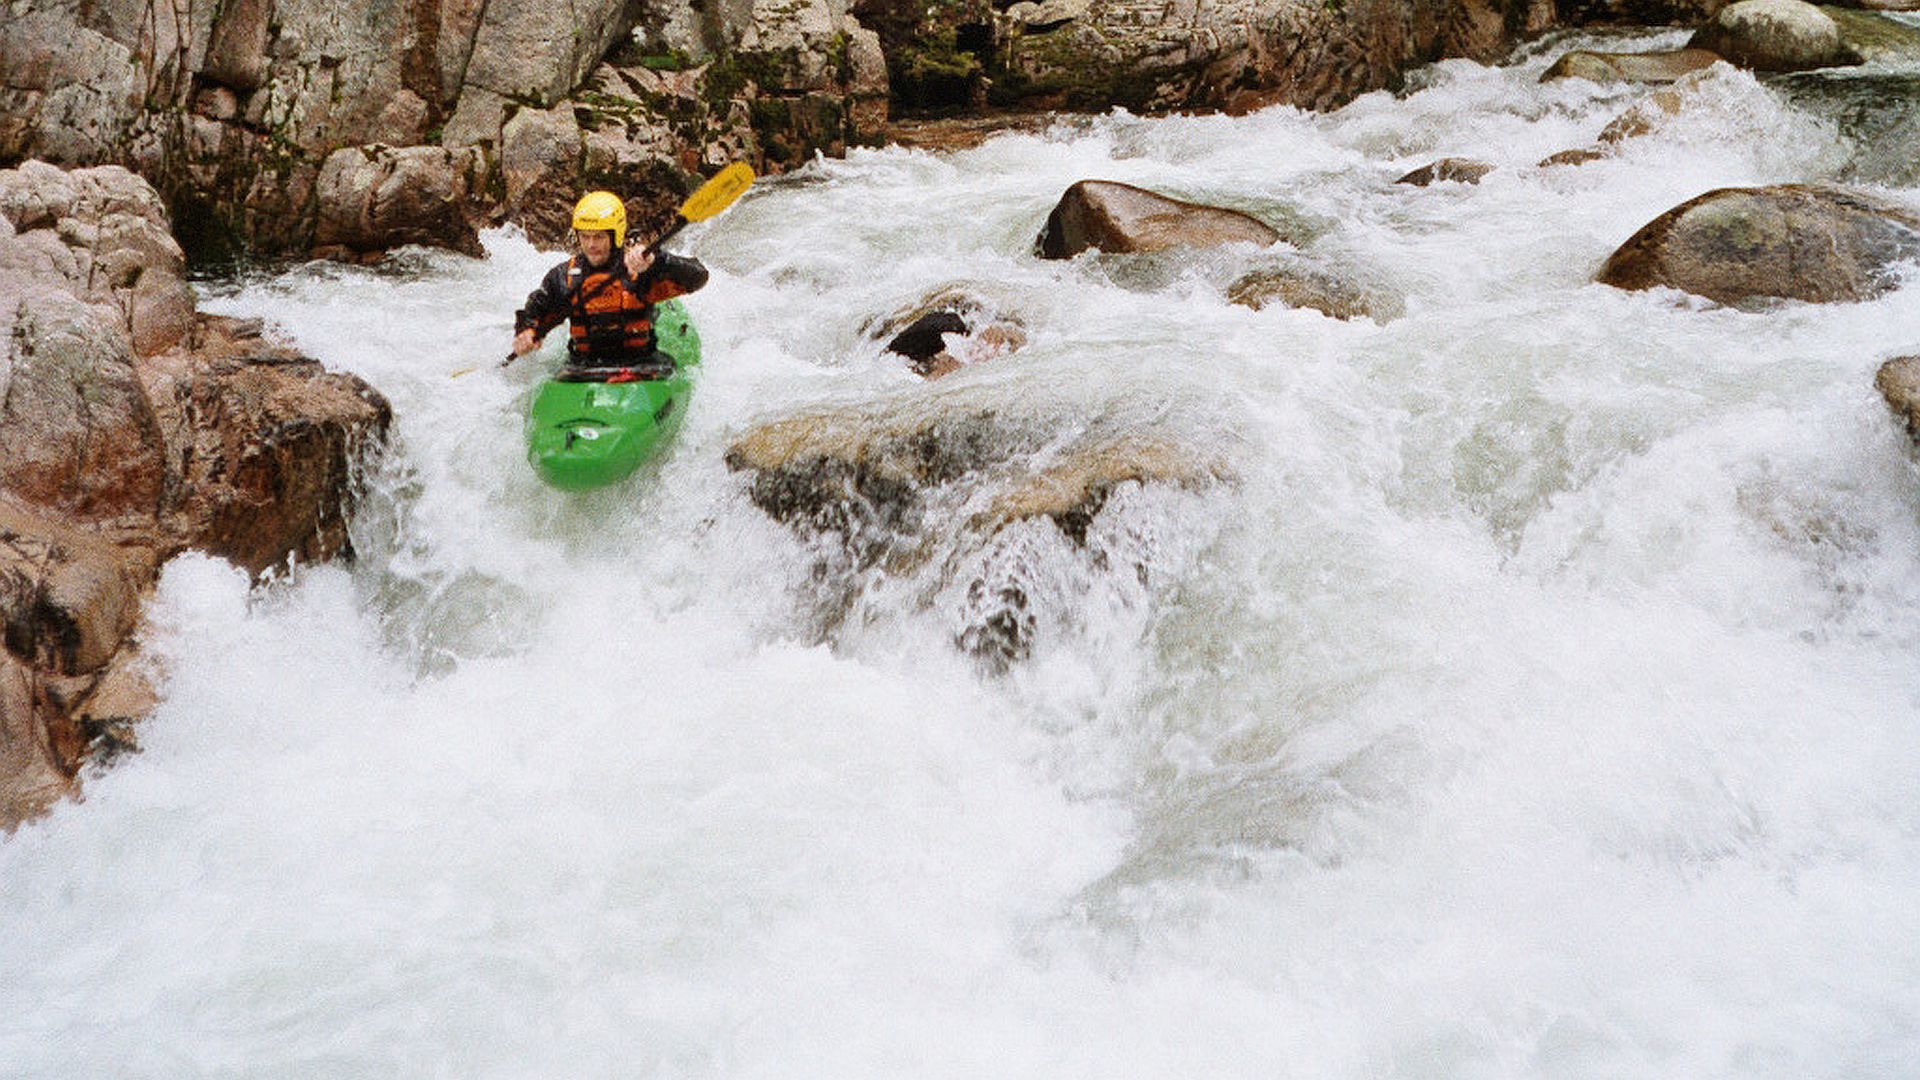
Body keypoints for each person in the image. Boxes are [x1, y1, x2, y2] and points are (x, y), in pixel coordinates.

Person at [512, 191, 709, 376]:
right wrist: (527, 331)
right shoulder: (564, 277)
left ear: (615, 235)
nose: (590, 245)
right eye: (585, 236)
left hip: (639, 365)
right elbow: (536, 310)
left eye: (598, 237)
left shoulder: (639, 271)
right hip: (583, 368)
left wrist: (657, 261)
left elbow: (698, 277)